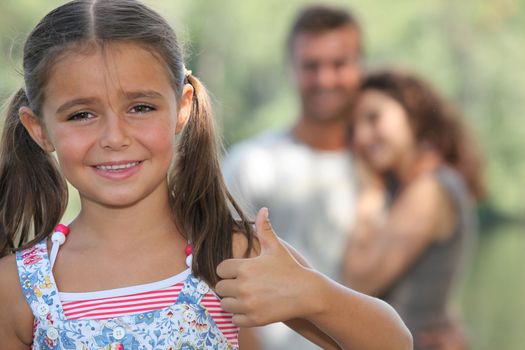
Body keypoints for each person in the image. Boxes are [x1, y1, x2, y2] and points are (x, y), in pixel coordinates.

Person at [0, 1, 412, 349]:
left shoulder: (232, 254)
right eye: (81, 114)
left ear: (181, 108)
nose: (114, 137)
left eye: (141, 107)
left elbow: (395, 343)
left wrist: (313, 294)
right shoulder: (18, 288)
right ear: (39, 130)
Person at [222, 5, 362, 348]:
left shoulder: (383, 166)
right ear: (292, 70)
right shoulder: (251, 163)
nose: (325, 79)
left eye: (339, 64)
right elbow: (221, 281)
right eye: (311, 66)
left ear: (360, 67)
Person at [345, 69, 484, 350]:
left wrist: (369, 198)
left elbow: (355, 286)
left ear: (413, 114)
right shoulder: (406, 187)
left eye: (373, 118)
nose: (361, 136)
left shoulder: (429, 190)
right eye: (354, 127)